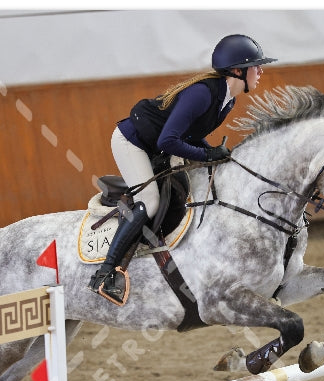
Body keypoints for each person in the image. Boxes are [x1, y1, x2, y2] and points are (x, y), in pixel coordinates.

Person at [89, 34, 277, 305]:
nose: (260, 71)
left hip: (157, 145)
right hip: (132, 141)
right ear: (238, 70)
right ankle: (105, 274)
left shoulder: (228, 100)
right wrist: (206, 153)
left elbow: (189, 134)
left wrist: (212, 153)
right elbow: (169, 140)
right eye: (256, 66)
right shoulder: (202, 93)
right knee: (149, 202)